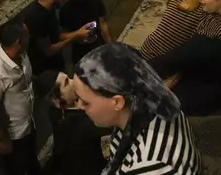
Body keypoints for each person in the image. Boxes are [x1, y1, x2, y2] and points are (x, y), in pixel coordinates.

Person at [73, 43, 201, 174]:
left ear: (117, 102)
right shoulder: (154, 103)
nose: (79, 106)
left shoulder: (150, 164)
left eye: (86, 102)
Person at [0, 20, 41, 175]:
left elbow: (27, 79)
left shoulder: (22, 54)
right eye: (27, 35)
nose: (30, 37)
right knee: (16, 168)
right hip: (12, 134)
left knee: (32, 161)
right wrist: (2, 139)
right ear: (19, 41)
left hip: (27, 124)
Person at [33, 70, 107, 175]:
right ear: (56, 100)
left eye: (68, 77)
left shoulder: (54, 112)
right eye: (66, 83)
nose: (74, 82)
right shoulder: (82, 126)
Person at [22, 0, 92, 75]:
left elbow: (57, 35)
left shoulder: (50, 9)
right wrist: (75, 37)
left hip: (57, 64)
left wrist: (79, 32)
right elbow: (48, 50)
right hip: (45, 71)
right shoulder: (36, 16)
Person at [60, 0, 112, 65]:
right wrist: (78, 35)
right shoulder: (65, 10)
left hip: (98, 48)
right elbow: (62, 35)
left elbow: (103, 25)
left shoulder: (95, 1)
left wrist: (110, 46)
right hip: (80, 54)